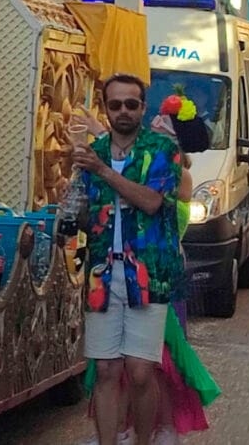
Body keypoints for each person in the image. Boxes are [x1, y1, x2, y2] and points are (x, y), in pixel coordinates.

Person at [73, 73, 184, 445]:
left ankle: (141, 439)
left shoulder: (161, 149)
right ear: (106, 108)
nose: (123, 111)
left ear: (143, 107)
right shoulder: (94, 154)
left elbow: (152, 202)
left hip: (149, 273)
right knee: (106, 369)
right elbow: (88, 211)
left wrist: (102, 171)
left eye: (131, 104)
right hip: (102, 274)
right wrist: (72, 211)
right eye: (115, 104)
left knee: (139, 371)